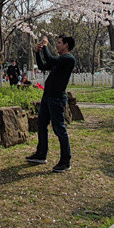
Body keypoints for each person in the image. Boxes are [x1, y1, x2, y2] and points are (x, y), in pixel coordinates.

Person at [26, 35, 76, 173]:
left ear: (66, 45)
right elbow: (43, 65)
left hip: (57, 98)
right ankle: (41, 154)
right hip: (47, 97)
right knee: (41, 124)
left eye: (59, 43)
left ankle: (65, 161)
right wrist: (37, 52)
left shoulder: (68, 59)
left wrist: (46, 46)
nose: (57, 45)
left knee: (59, 129)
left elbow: (50, 58)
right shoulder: (59, 60)